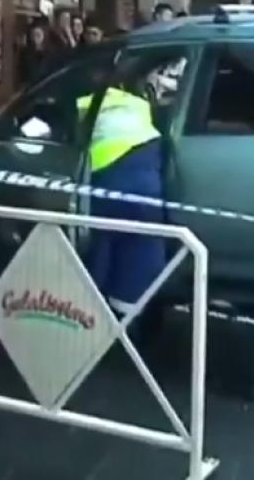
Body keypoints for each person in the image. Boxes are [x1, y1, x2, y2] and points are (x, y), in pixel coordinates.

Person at [77, 56, 180, 325]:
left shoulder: (82, 106)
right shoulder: (137, 105)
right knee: (142, 255)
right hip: (147, 191)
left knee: (101, 251)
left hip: (108, 189)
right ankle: (130, 322)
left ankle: (100, 320)